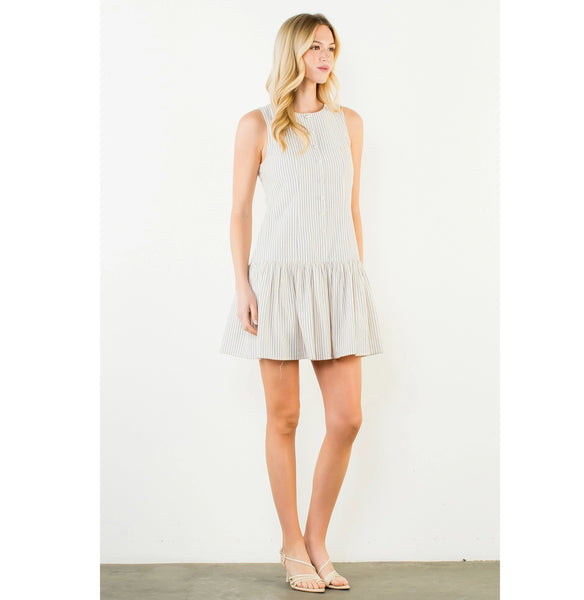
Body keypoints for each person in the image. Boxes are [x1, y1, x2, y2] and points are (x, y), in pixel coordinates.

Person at [219, 12, 383, 593]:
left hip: (337, 281)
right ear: (292, 51)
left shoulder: (349, 123)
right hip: (278, 282)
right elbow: (240, 211)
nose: (325, 55)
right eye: (314, 46)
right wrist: (242, 285)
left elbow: (351, 206)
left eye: (331, 46)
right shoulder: (257, 125)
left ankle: (316, 538)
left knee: (347, 418)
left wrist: (356, 279)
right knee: (284, 417)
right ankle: (291, 543)